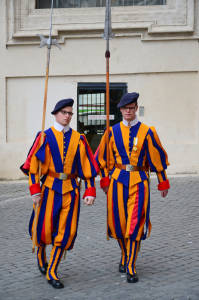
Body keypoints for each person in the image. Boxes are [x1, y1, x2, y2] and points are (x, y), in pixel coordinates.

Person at [21, 98, 99, 289]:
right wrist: (34, 190)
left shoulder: (79, 138)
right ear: (55, 114)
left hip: (71, 190)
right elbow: (33, 168)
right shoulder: (44, 137)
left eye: (70, 113)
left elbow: (87, 166)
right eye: (64, 112)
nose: (67, 116)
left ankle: (52, 270)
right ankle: (41, 256)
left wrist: (90, 190)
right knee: (43, 229)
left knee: (67, 231)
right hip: (48, 189)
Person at [94, 92, 170, 283]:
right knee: (118, 224)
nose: (128, 111)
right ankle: (125, 254)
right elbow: (101, 159)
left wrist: (162, 180)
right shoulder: (111, 132)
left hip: (140, 180)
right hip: (117, 181)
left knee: (135, 224)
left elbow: (156, 159)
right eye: (125, 108)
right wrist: (104, 179)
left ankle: (130, 265)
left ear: (136, 109)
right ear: (120, 110)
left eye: (131, 108)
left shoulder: (147, 131)